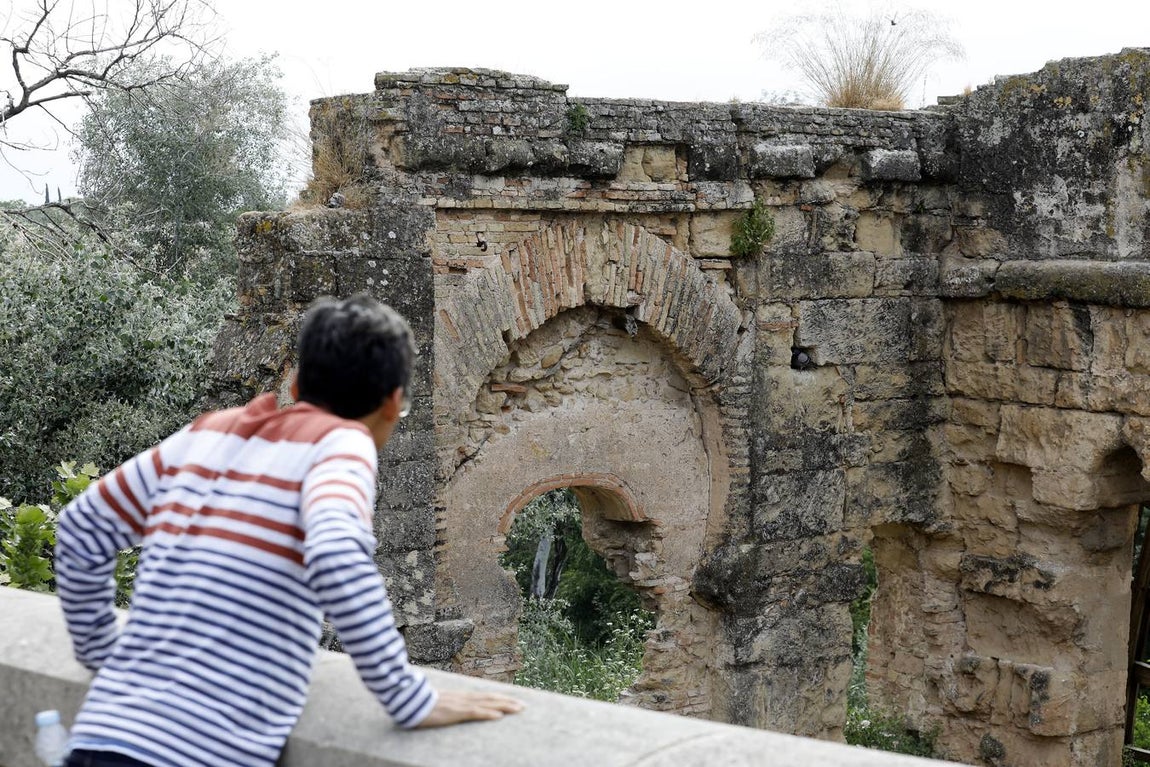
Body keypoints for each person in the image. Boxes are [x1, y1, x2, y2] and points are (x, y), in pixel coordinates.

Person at [55, 294, 523, 767]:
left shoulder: (209, 432)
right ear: (392, 402)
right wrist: (409, 697)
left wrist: (101, 654)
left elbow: (81, 525)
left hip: (100, 738)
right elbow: (336, 556)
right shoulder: (341, 445)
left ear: (297, 383)